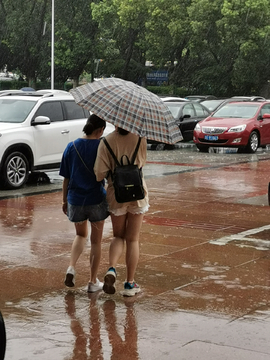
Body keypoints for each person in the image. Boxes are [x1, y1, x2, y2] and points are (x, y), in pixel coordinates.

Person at [94, 127, 149, 296]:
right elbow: (142, 162)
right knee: (132, 239)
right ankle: (130, 285)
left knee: (118, 236)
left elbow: (98, 174)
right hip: (138, 194)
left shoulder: (106, 141)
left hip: (116, 195)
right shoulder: (141, 138)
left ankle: (111, 269)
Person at [60, 114, 109, 292]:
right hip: (96, 199)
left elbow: (66, 177)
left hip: (75, 199)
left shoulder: (71, 146)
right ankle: (93, 281)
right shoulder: (102, 147)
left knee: (80, 235)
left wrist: (64, 200)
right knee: (96, 242)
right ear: (101, 130)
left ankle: (71, 267)